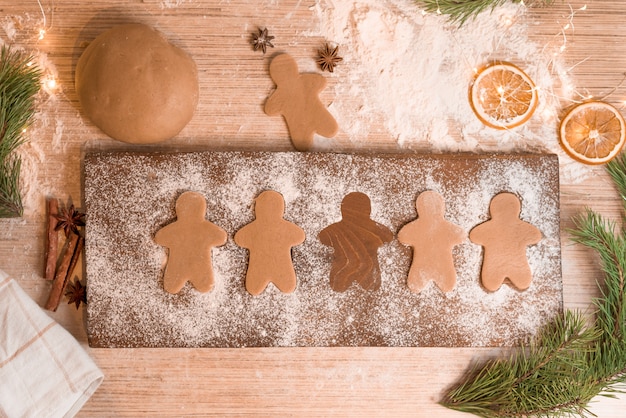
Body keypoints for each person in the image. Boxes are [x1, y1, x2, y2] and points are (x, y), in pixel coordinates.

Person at [234, 190, 305, 295]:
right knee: (285, 285)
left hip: (262, 267)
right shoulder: (285, 227)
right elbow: (299, 235)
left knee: (256, 286)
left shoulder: (253, 228)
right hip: (280, 266)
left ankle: (260, 287)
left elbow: (240, 238)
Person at [154, 191, 227, 294]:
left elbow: (160, 237)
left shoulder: (175, 229)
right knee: (204, 284)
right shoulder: (205, 228)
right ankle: (202, 284)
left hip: (178, 266)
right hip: (199, 265)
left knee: (173, 285)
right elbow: (220, 236)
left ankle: (195, 285)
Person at [319, 192, 393, 292]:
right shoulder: (376, 229)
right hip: (364, 275)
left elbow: (322, 237)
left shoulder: (334, 230)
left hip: (348, 274)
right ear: (369, 209)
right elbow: (388, 236)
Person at [469, 192, 542, 291]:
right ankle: (512, 280)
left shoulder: (489, 227)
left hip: (498, 265)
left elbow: (474, 235)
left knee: (494, 281)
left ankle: (497, 282)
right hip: (511, 264)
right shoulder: (521, 227)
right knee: (519, 280)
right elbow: (535, 235)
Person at [398, 191, 465, 293]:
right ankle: (445, 284)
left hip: (426, 265)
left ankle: (444, 284)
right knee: (444, 282)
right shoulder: (447, 227)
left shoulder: (416, 227)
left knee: (419, 282)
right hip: (438, 264)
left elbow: (402, 236)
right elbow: (461, 235)